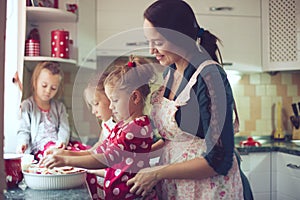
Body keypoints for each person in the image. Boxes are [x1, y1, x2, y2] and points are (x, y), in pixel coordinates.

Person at [126, 1, 244, 199]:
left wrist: (157, 173)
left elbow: (220, 159)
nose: (151, 50)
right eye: (149, 41)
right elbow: (172, 140)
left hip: (208, 190)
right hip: (176, 188)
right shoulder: (170, 73)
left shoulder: (209, 76)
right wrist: (137, 156)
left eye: (158, 42)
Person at [41, 56, 157, 200]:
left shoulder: (136, 129)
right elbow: (97, 152)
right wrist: (64, 154)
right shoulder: (124, 125)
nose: (110, 106)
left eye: (115, 100)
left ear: (135, 97)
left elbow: (106, 159)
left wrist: (66, 161)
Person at [16, 61, 70, 161]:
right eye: (44, 85)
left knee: (79, 154)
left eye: (53, 88)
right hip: (40, 150)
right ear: (35, 82)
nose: (48, 91)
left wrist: (62, 142)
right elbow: (24, 130)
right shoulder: (27, 105)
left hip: (57, 146)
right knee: (51, 158)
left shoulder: (60, 107)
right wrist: (22, 143)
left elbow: (64, 129)